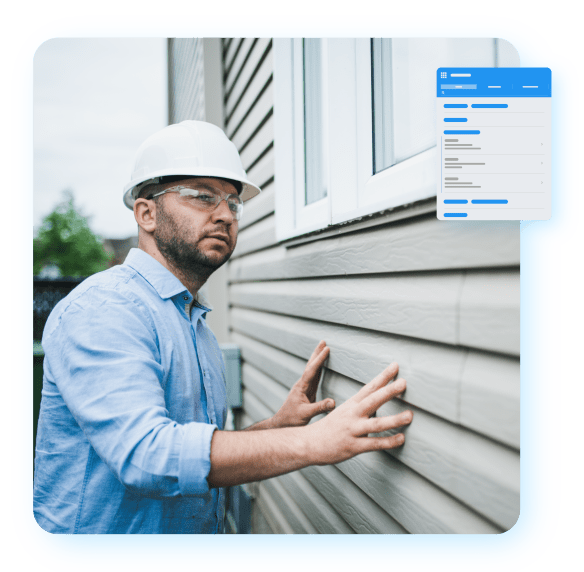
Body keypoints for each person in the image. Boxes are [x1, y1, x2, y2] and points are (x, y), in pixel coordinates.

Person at [33, 121, 413, 534]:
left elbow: (197, 456)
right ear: (146, 213)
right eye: (202, 197)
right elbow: (147, 456)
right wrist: (311, 443)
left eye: (233, 203)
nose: (225, 216)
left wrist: (277, 429)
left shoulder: (193, 324)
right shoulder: (105, 310)